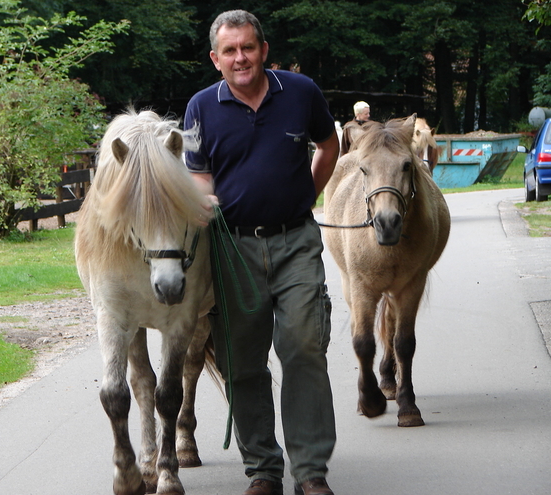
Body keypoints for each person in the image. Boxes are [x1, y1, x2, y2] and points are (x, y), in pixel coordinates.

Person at [184, 10, 339, 495]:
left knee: (304, 347)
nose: (240, 58)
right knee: (241, 361)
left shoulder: (302, 92)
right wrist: (202, 197)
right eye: (229, 51)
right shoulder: (199, 108)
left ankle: (311, 471)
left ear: (263, 49)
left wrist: (306, 197)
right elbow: (198, 174)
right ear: (215, 59)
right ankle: (263, 471)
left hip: (295, 241)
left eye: (247, 47)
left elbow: (328, 145)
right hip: (232, 250)